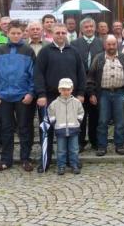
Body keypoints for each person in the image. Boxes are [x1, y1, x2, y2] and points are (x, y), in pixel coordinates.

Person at [34, 23, 86, 173]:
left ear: (67, 35)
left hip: (71, 97)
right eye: (58, 33)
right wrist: (41, 94)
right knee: (47, 129)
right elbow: (38, 74)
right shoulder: (45, 52)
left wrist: (81, 93)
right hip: (49, 97)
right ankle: (46, 160)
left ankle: (72, 160)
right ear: (52, 34)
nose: (61, 35)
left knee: (71, 130)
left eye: (63, 33)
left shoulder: (74, 52)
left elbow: (81, 73)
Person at [0, 20, 36, 172]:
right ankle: (6, 160)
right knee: (6, 129)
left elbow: (34, 74)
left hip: (23, 97)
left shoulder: (28, 51)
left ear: (23, 34)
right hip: (3, 97)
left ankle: (25, 158)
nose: (16, 36)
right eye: (13, 33)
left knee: (24, 128)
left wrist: (31, 92)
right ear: (7, 34)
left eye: (18, 33)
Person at [87, 35, 124, 156]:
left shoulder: (123, 58)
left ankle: (119, 145)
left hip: (120, 93)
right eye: (109, 44)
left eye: (113, 44)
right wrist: (92, 93)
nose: (111, 47)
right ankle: (102, 146)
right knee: (102, 121)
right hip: (103, 94)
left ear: (117, 45)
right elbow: (91, 77)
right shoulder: (98, 58)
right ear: (105, 45)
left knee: (119, 121)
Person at [71, 18, 104, 152]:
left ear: (95, 28)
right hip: (80, 84)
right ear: (81, 29)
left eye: (91, 26)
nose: (89, 29)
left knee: (96, 114)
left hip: (97, 84)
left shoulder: (101, 43)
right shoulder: (74, 43)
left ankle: (94, 140)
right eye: (86, 27)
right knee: (80, 115)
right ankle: (80, 141)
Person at [48, 78, 84, 175]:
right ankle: (61, 166)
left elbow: (81, 112)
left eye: (68, 89)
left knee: (74, 149)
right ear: (59, 90)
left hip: (74, 130)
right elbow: (51, 114)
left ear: (71, 89)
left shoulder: (76, 102)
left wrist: (78, 121)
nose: (66, 92)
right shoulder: (54, 103)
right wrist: (55, 123)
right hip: (60, 130)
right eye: (63, 89)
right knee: (61, 150)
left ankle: (74, 165)